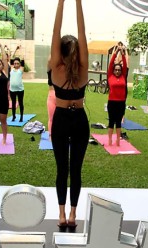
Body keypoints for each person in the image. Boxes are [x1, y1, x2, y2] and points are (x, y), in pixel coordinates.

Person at [50, 0, 89, 230]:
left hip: (71, 120)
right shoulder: (65, 66)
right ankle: (66, 212)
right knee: (67, 169)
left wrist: (71, 2)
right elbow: (72, 31)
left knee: (70, 169)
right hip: (68, 119)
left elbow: (73, 31)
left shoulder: (67, 66)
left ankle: (69, 212)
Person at [107, 43, 128, 146]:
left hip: (121, 103)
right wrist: (115, 52)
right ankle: (110, 140)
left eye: (119, 70)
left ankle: (118, 140)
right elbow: (111, 64)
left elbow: (125, 64)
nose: (117, 71)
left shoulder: (123, 76)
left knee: (119, 122)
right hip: (112, 102)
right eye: (116, 69)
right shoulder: (110, 76)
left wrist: (123, 53)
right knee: (111, 122)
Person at [9, 45, 25, 122]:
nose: (16, 64)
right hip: (12, 90)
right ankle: (14, 116)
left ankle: (21, 117)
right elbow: (11, 59)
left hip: (20, 89)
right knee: (13, 103)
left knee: (21, 103)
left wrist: (20, 50)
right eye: (15, 63)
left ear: (19, 64)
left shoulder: (21, 69)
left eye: (17, 63)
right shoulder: (12, 69)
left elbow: (23, 60)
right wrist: (15, 49)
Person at [46, 55, 56, 139]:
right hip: (52, 95)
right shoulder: (50, 71)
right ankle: (50, 135)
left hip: (62, 97)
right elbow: (49, 60)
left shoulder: (62, 72)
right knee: (51, 117)